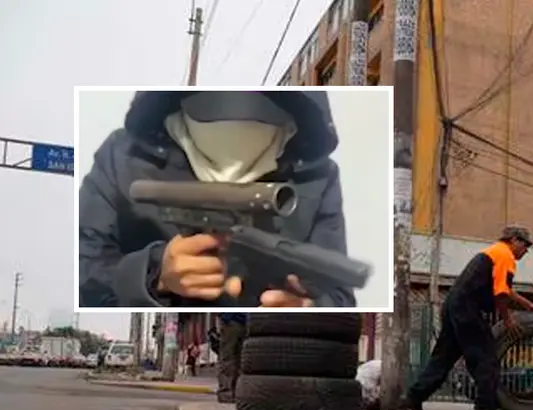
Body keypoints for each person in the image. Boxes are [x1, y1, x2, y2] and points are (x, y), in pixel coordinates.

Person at [78, 90, 357, 308]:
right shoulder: (123, 155)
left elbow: (339, 292)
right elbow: (84, 269)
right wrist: (154, 273)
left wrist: (306, 308)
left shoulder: (318, 175)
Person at [406, 225, 533, 410]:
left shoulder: (494, 252)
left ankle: (415, 395)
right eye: (525, 244)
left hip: (453, 304)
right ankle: (486, 408)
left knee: (443, 357)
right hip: (468, 309)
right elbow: (501, 294)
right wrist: (508, 319)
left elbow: (504, 288)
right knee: (486, 357)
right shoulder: (506, 256)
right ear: (514, 240)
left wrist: (527, 304)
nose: (526, 250)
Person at [215, 313, 247, 404]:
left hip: (244, 321)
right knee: (228, 358)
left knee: (241, 359)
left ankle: (234, 392)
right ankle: (226, 392)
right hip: (232, 320)